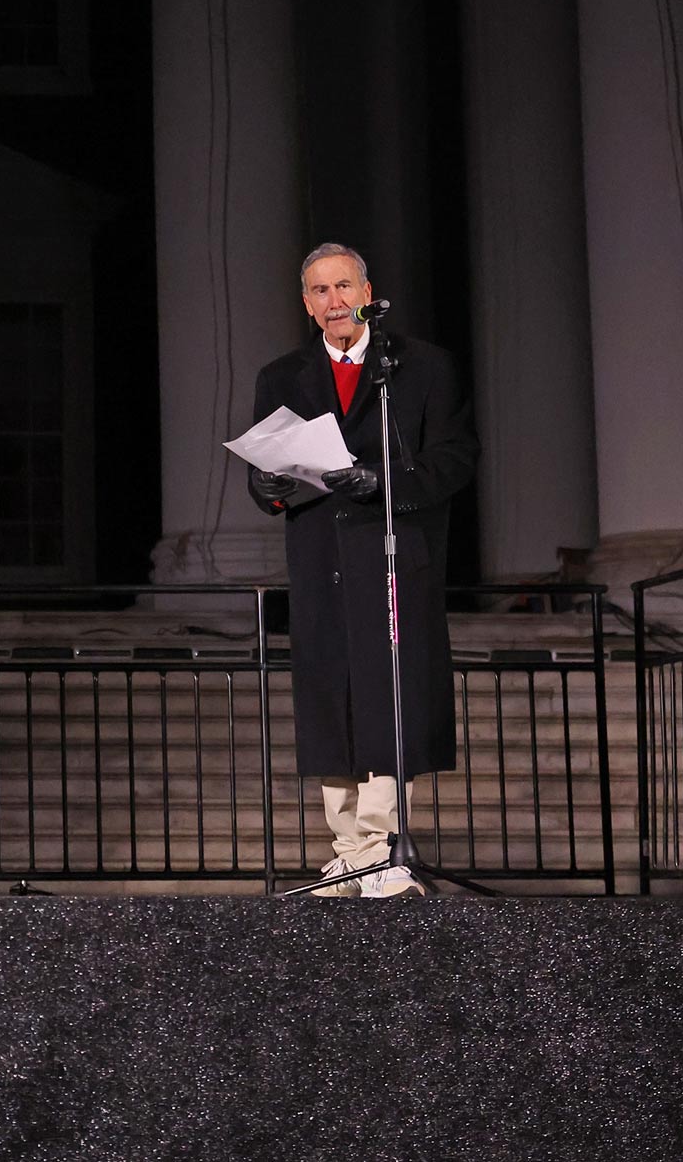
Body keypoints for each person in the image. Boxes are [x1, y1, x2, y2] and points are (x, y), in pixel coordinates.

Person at [248, 242, 478, 898]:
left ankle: (382, 849)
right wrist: (266, 481)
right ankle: (350, 853)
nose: (334, 301)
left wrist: (382, 480)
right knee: (330, 702)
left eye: (344, 286)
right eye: (319, 291)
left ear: (366, 290)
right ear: (306, 304)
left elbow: (457, 458)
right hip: (322, 565)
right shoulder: (282, 376)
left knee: (386, 698)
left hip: (392, 556)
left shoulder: (422, 366)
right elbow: (268, 477)